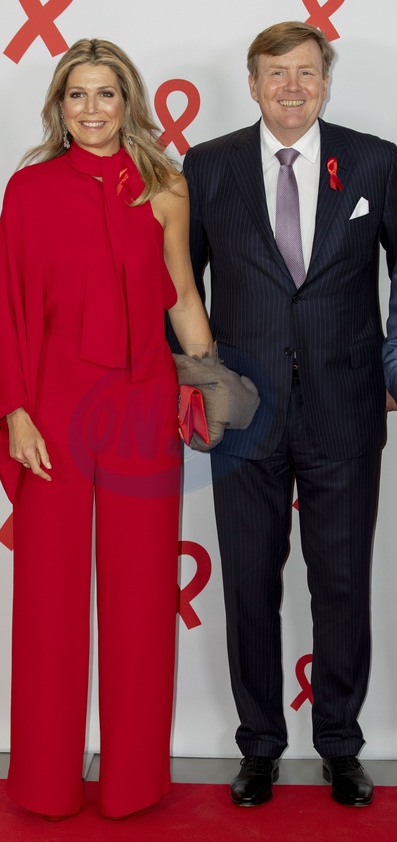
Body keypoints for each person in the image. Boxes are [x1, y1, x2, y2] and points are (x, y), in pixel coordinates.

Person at [0, 38, 212, 821]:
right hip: (52, 410)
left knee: (141, 595)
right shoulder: (28, 189)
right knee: (48, 598)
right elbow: (5, 305)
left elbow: (183, 297)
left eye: (105, 93)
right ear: (59, 105)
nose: (91, 108)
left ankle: (133, 782)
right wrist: (15, 412)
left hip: (143, 408)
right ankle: (44, 782)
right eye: (76, 94)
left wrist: (208, 385)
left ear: (127, 101)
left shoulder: (166, 186)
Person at [181, 21, 397, 807]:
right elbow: (180, 284)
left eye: (306, 72)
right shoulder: (207, 166)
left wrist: (394, 372)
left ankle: (340, 744)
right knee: (248, 585)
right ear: (252, 83)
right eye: (277, 73)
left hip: (348, 408)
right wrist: (203, 384)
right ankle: (260, 747)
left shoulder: (375, 161)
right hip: (244, 416)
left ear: (326, 81)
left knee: (342, 585)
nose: (292, 87)